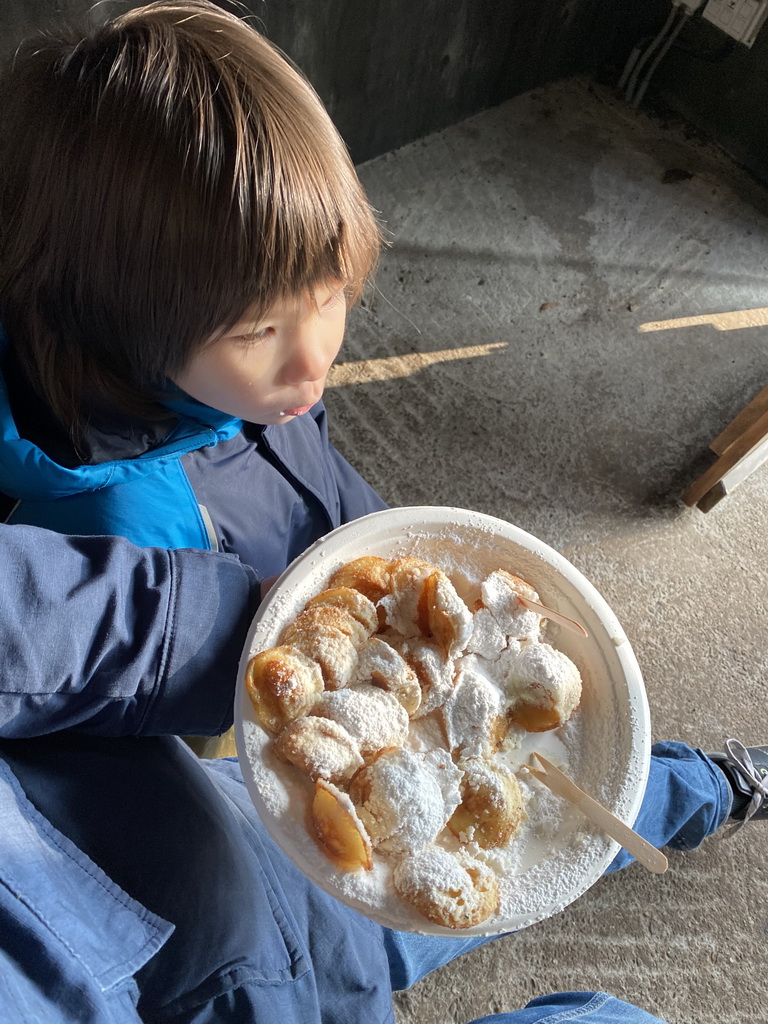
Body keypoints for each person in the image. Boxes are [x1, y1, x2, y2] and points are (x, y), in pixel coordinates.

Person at [0, 521, 765, 1024]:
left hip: (255, 836)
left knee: (579, 812)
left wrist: (223, 632)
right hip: (308, 986)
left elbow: (27, 617)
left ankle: (714, 788)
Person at [0, 0, 386, 580]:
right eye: (259, 330)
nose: (317, 359)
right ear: (120, 318)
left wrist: (388, 541)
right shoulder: (115, 544)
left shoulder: (259, 379)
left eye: (329, 294)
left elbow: (322, 474)